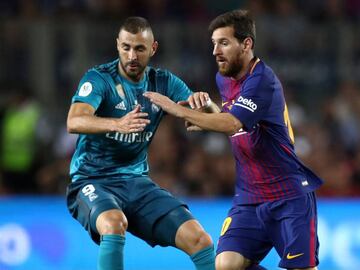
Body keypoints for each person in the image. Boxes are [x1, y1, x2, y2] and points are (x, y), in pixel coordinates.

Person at [144, 10, 322, 270]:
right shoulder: (224, 78)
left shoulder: (262, 80)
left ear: (246, 44)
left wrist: (177, 109)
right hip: (250, 197)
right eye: (214, 43)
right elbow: (234, 123)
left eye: (224, 43)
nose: (216, 51)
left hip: (288, 195)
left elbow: (233, 123)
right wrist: (208, 110)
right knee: (226, 264)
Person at [66, 16, 215, 270]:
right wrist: (116, 123)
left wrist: (207, 104)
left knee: (200, 239)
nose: (132, 56)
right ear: (117, 45)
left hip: (137, 183)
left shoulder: (164, 82)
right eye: (126, 47)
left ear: (153, 48)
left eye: (139, 48)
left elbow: (212, 119)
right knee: (113, 223)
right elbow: (74, 121)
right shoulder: (99, 79)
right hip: (92, 180)